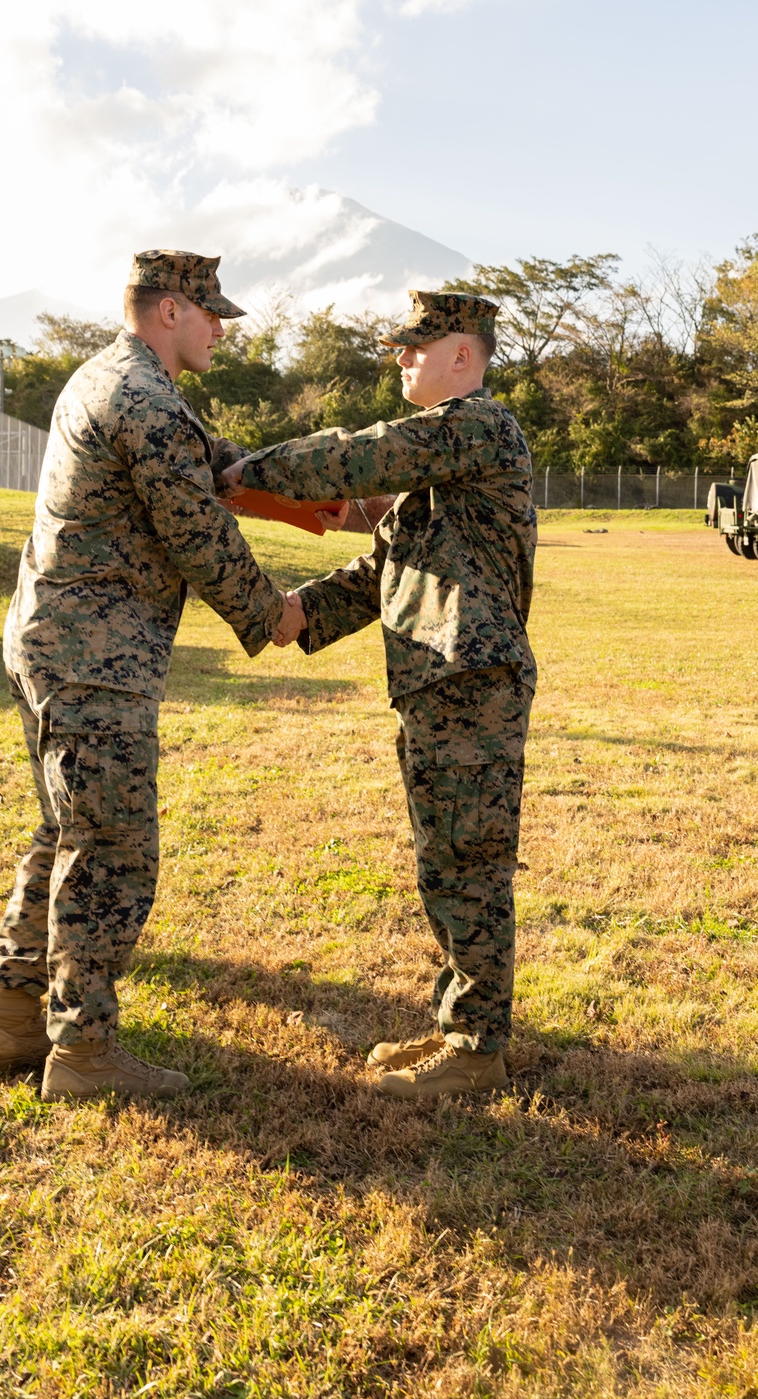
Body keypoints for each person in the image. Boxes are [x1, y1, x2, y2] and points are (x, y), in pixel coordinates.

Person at [0, 250, 305, 1102]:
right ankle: (83, 1052)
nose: (220, 327)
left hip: (58, 646)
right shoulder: (143, 400)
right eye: (210, 313)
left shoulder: (115, 381)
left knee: (65, 831)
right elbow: (201, 534)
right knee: (113, 851)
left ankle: (9, 1017)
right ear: (167, 312)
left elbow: (218, 467)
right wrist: (275, 613)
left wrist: (323, 496)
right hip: (93, 657)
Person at [223, 291, 537, 1101]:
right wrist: (300, 613)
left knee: (468, 861)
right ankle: (458, 1026)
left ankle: (476, 1048)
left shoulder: (476, 427)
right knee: (444, 861)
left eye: (413, 348)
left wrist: (238, 476)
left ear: (462, 356)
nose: (400, 360)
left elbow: (350, 460)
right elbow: (381, 572)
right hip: (438, 683)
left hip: (471, 681)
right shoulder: (439, 466)